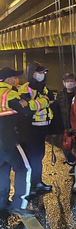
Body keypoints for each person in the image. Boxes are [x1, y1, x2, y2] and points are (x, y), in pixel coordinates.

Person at [0, 67, 34, 215]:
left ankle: (1, 203)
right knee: (24, 169)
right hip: (9, 139)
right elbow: (26, 111)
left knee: (2, 169)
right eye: (14, 77)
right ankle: (19, 205)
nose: (16, 80)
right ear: (8, 79)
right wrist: (33, 103)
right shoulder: (9, 93)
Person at [18, 63, 54, 195]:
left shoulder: (44, 88)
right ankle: (33, 185)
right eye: (39, 72)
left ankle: (36, 182)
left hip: (42, 127)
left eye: (44, 73)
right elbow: (27, 108)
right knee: (33, 157)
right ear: (32, 73)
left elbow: (50, 102)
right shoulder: (25, 89)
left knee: (38, 156)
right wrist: (43, 102)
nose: (42, 75)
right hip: (30, 128)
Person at [54, 73, 76, 170]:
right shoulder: (60, 95)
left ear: (75, 82)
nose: (69, 83)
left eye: (71, 81)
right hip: (64, 125)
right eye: (67, 81)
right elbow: (57, 109)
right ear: (63, 83)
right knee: (65, 147)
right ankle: (72, 161)